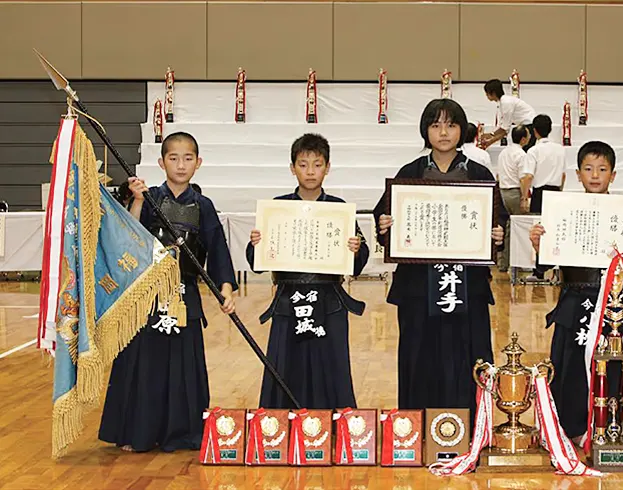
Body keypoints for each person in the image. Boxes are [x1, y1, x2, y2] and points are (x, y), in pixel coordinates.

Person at [99, 132, 238, 453]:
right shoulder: (148, 199)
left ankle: (184, 432)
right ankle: (139, 431)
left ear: (198, 163)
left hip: (184, 294)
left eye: (188, 158)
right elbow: (129, 237)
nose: (180, 165)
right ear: (162, 162)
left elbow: (217, 250)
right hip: (148, 295)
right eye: (173, 158)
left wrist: (225, 289)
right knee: (143, 363)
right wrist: (135, 200)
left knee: (183, 367)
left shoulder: (203, 206)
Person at [373, 98, 507, 414]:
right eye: (435, 125)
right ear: (425, 131)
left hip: (468, 286)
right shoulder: (410, 173)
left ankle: (472, 427)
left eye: (451, 124)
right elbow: (384, 219)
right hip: (418, 289)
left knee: (467, 355)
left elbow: (499, 219)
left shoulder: (479, 174)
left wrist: (497, 235)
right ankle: (416, 425)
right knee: (420, 355)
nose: (443, 132)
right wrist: (384, 226)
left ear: (462, 130)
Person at [529, 141, 623, 443]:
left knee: (612, 363)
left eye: (602, 169)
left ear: (613, 175)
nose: (595, 175)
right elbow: (546, 265)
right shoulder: (564, 211)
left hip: (614, 305)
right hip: (574, 299)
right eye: (588, 169)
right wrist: (539, 245)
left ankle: (611, 426)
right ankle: (568, 429)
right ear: (578, 174)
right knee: (570, 364)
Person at [246, 133, 369, 409]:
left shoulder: (339, 209)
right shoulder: (277, 208)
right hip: (289, 299)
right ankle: (280, 425)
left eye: (317, 164)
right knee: (285, 364)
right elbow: (256, 261)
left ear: (327, 167)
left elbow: (359, 262)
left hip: (329, 301)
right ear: (292, 168)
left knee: (332, 364)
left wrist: (355, 248)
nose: (310, 171)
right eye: (303, 164)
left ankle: (334, 424)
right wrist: (257, 244)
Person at [496, 125, 531, 272]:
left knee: (507, 227)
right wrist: (524, 198)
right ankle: (520, 264)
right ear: (523, 139)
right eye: (528, 136)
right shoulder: (521, 155)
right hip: (515, 192)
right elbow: (524, 178)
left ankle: (504, 263)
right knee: (519, 228)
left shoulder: (504, 152)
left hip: (503, 191)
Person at [520, 114, 566, 214]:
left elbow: (528, 176)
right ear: (550, 129)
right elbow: (563, 175)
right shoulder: (560, 149)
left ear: (535, 131)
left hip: (539, 194)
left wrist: (524, 198)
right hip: (555, 192)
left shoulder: (533, 151)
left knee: (537, 225)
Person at [479, 79, 536, 150]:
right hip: (526, 126)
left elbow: (505, 130)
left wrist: (490, 140)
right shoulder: (502, 102)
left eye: (487, 93)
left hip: (529, 126)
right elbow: (503, 127)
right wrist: (491, 135)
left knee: (525, 153)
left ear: (493, 93)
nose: (486, 95)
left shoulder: (506, 103)